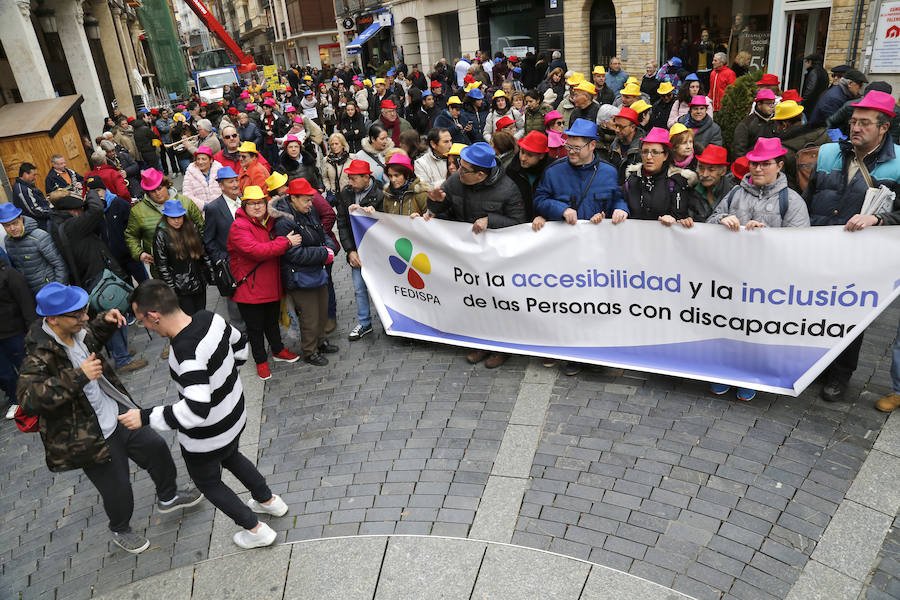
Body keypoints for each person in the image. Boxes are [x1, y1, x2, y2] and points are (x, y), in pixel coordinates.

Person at [18, 282, 201, 553]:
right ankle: (120, 528)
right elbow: (28, 399)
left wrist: (106, 320)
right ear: (53, 319)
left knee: (156, 449)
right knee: (119, 491)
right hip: (90, 437)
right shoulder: (39, 356)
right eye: (77, 315)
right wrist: (79, 376)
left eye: (84, 311)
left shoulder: (77, 332)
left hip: (116, 415)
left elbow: (91, 334)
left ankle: (169, 496)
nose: (84, 318)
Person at [120, 280, 287, 550]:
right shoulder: (210, 319)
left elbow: (196, 409)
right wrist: (224, 378)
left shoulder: (185, 352)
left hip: (207, 436)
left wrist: (145, 417)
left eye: (142, 321)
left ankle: (255, 530)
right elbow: (241, 345)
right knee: (232, 455)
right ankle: (269, 501)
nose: (146, 327)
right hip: (233, 417)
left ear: (154, 316)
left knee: (208, 482)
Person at [805, 90, 900, 402]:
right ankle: (816, 365)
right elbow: (809, 198)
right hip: (820, 243)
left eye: (865, 123)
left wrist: (879, 219)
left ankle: (840, 374)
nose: (856, 128)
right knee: (814, 308)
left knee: (850, 314)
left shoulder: (897, 163)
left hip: (862, 255)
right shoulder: (828, 152)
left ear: (883, 127)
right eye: (853, 121)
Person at [706, 137, 810, 401]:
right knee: (727, 326)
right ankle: (722, 372)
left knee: (756, 330)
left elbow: (801, 244)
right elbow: (710, 221)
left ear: (779, 166)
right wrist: (722, 219)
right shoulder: (735, 193)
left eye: (765, 164)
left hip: (767, 282)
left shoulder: (792, 201)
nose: (758, 169)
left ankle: (750, 375)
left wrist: (769, 237)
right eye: (754, 164)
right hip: (731, 276)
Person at [532, 119, 628, 374]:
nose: (570, 151)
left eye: (576, 147)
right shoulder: (554, 171)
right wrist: (560, 209)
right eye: (568, 145)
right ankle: (571, 353)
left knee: (597, 303)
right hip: (564, 251)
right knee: (568, 303)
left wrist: (620, 209)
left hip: (598, 253)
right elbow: (540, 199)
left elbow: (617, 198)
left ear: (592, 145)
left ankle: (598, 353)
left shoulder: (608, 172)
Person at [422, 142, 525, 369]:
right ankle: (480, 341)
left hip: (497, 260)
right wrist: (435, 202)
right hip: (466, 254)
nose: (457, 171)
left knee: (498, 303)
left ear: (480, 174)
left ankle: (502, 347)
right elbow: (442, 207)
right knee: (474, 301)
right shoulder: (456, 181)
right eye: (459, 165)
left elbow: (519, 223)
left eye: (464, 169)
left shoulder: (508, 189)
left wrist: (491, 221)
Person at [227, 185, 302, 380]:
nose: (257, 207)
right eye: (252, 204)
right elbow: (255, 250)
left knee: (271, 322)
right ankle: (261, 361)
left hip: (271, 284)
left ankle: (278, 350)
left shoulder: (270, 221)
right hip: (250, 288)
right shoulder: (239, 226)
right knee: (255, 328)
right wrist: (285, 242)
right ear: (244, 205)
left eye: (260, 202)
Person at [271, 179, 339, 366]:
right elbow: (293, 253)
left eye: (311, 200)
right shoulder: (284, 221)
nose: (311, 204)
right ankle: (310, 351)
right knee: (309, 315)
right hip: (299, 275)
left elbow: (321, 233)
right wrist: (324, 252)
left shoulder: (309, 211)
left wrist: (329, 247)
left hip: (316, 269)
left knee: (322, 308)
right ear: (293, 198)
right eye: (307, 200)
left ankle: (321, 341)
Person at [335, 159, 384, 342]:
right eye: (349, 178)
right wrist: (350, 251)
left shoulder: (380, 194)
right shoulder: (346, 193)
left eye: (353, 179)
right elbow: (342, 222)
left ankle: (388, 320)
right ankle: (364, 322)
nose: (350, 183)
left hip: (377, 252)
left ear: (366, 177)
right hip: (357, 250)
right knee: (358, 288)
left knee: (382, 288)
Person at [126, 169, 204, 280]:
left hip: (192, 266)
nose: (157, 193)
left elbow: (202, 227)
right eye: (153, 191)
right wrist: (139, 253)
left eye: (159, 188)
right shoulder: (138, 212)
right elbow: (131, 236)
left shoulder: (185, 202)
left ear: (166, 185)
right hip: (162, 271)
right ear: (147, 192)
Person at [623, 127, 698, 226]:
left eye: (655, 152)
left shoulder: (676, 181)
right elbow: (621, 203)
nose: (649, 157)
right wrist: (622, 209)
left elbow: (681, 215)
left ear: (666, 155)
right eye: (645, 151)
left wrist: (673, 219)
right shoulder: (632, 179)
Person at [202, 167, 245, 332]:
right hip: (230, 261)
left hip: (250, 258)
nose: (235, 184)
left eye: (236, 180)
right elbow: (208, 239)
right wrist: (221, 259)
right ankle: (239, 331)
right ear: (221, 185)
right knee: (234, 299)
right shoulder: (213, 208)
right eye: (230, 182)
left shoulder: (244, 201)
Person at [153, 200, 212, 316]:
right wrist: (172, 289)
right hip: (180, 287)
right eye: (172, 217)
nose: (176, 220)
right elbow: (162, 266)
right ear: (166, 217)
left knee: (202, 314)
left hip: (198, 282)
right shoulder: (161, 234)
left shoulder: (191, 227)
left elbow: (202, 252)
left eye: (179, 216)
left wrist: (209, 273)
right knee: (188, 318)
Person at [0, 203, 67, 294]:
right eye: (7, 226)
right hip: (30, 293)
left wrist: (58, 288)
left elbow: (59, 264)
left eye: (15, 223)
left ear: (21, 219)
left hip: (50, 290)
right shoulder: (8, 241)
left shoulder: (40, 237)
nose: (12, 228)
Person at [0, 253, 34, 419]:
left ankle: (34, 396)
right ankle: (16, 399)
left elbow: (26, 302)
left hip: (14, 331)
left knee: (24, 366)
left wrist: (31, 329)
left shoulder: (9, 274)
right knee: (4, 372)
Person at [772, 100, 829, 193]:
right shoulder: (824, 134)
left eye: (777, 124)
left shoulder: (781, 148)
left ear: (784, 125)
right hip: (823, 192)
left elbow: (779, 180)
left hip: (797, 196)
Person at [732, 89, 778, 157]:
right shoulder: (746, 124)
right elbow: (739, 151)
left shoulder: (775, 122)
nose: (772, 106)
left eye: (773, 103)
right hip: (753, 163)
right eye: (769, 103)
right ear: (759, 104)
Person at [692, 145, 732, 220]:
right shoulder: (692, 190)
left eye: (711, 170)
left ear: (723, 171)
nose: (704, 174)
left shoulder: (733, 194)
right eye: (701, 168)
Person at [13, 162, 53, 231]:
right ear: (25, 174)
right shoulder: (23, 190)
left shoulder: (26, 185)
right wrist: (52, 212)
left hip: (43, 218)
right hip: (40, 223)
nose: (35, 178)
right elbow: (34, 210)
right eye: (33, 175)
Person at [182, 146, 224, 212]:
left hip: (221, 209)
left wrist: (218, 205)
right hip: (201, 213)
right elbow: (187, 195)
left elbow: (226, 190)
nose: (200, 162)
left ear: (211, 160)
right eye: (198, 159)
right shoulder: (190, 173)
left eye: (203, 159)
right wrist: (205, 205)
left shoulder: (220, 170)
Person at [609, 107, 644, 183]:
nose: (617, 130)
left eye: (621, 127)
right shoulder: (614, 145)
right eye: (616, 126)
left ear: (632, 127)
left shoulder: (643, 148)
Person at [323, 133, 353, 200]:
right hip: (335, 196)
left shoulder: (351, 158)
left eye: (336, 144)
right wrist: (329, 189)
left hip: (350, 194)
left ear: (342, 145)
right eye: (332, 144)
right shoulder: (326, 160)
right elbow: (325, 177)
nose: (334, 146)